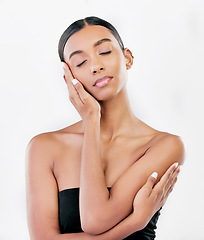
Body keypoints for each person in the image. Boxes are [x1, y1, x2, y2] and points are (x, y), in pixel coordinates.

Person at [25, 16, 184, 240]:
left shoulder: (163, 146)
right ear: (69, 79)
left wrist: (91, 122)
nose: (96, 66)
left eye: (105, 52)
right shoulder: (44, 147)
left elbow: (94, 220)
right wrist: (134, 222)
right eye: (80, 63)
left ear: (127, 58)